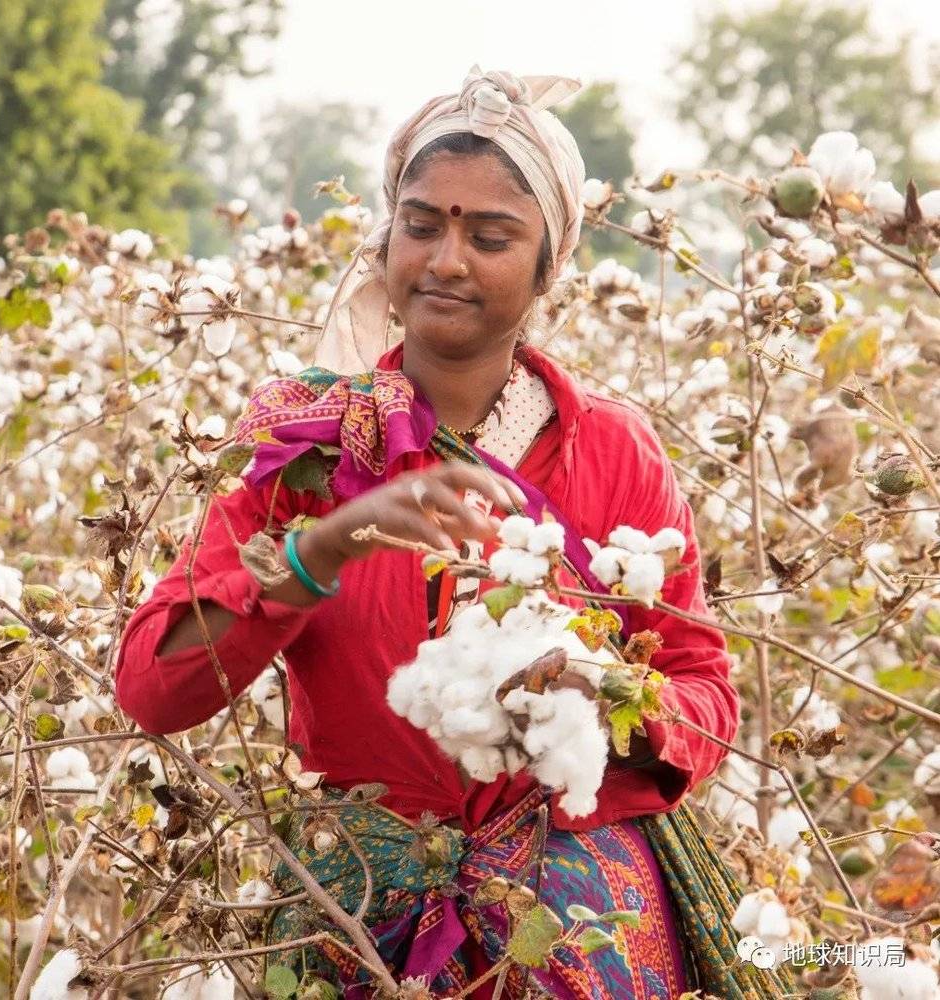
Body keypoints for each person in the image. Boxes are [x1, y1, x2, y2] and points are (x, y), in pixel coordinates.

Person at [116, 67, 792, 1000]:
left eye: (492, 235)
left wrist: (610, 706)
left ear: (550, 266)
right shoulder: (306, 453)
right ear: (387, 236)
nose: (445, 261)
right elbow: (154, 688)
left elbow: (704, 690)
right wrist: (320, 551)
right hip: (360, 912)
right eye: (423, 223)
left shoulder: (612, 451)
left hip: (579, 922)